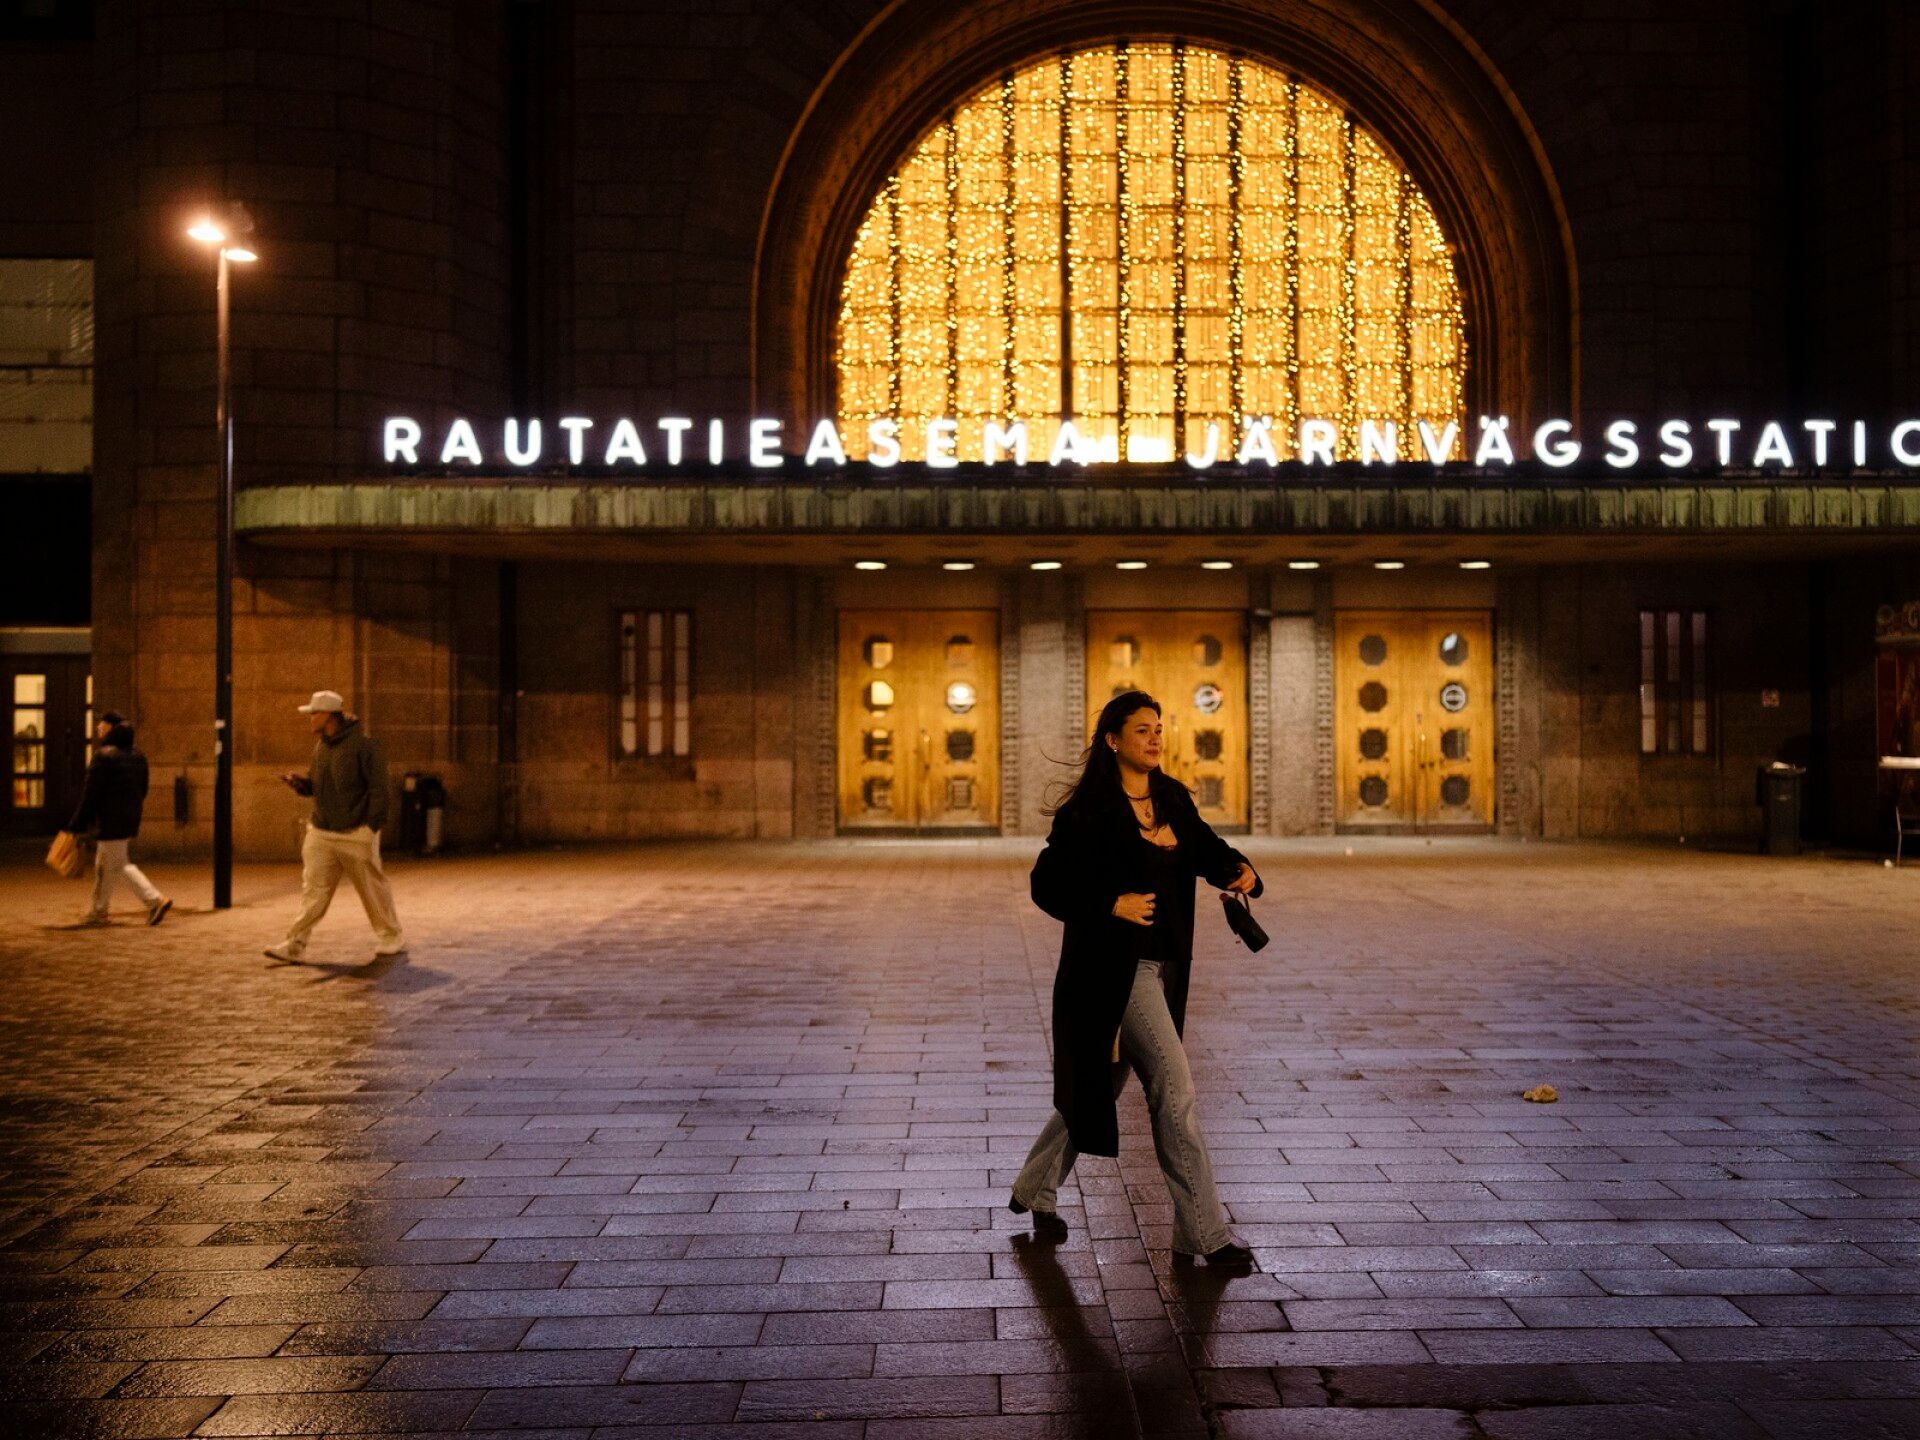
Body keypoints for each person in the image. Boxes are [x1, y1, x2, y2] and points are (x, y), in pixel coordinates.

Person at [1011, 689, 1262, 1268]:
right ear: (1113, 740)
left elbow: (1205, 849)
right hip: (1110, 972)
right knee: (1176, 1092)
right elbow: (1045, 885)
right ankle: (1205, 1237)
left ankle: (1033, 1188)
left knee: (1102, 1085)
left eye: (1160, 727)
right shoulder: (1088, 813)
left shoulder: (1170, 796)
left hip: (1162, 969)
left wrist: (1243, 872)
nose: (1155, 738)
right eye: (1142, 729)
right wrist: (1109, 902)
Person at [264, 690, 406, 962]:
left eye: (314, 713)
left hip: (356, 832)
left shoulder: (363, 745)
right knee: (313, 892)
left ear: (330, 715)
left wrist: (370, 827)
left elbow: (380, 789)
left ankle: (391, 936)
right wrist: (302, 784)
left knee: (372, 890)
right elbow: (320, 786)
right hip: (321, 831)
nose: (310, 719)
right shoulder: (322, 746)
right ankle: (296, 944)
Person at [66, 711, 171, 927]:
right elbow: (143, 789)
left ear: (110, 728)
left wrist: (76, 824)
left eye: (101, 725)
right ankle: (98, 911)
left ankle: (154, 900)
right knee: (105, 865)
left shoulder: (103, 756)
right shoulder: (139, 756)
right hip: (129, 817)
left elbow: (91, 795)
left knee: (120, 865)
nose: (98, 729)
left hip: (109, 820)